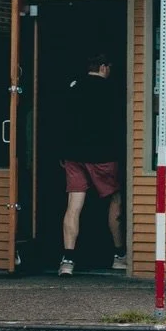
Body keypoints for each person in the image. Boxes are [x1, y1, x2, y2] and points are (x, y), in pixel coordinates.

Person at [58, 48, 125, 276]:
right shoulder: (111, 90)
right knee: (115, 200)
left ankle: (67, 260)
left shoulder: (73, 87)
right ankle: (119, 255)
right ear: (104, 67)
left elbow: (62, 121)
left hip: (74, 155)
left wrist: (62, 152)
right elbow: (117, 123)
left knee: (73, 205)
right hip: (103, 155)